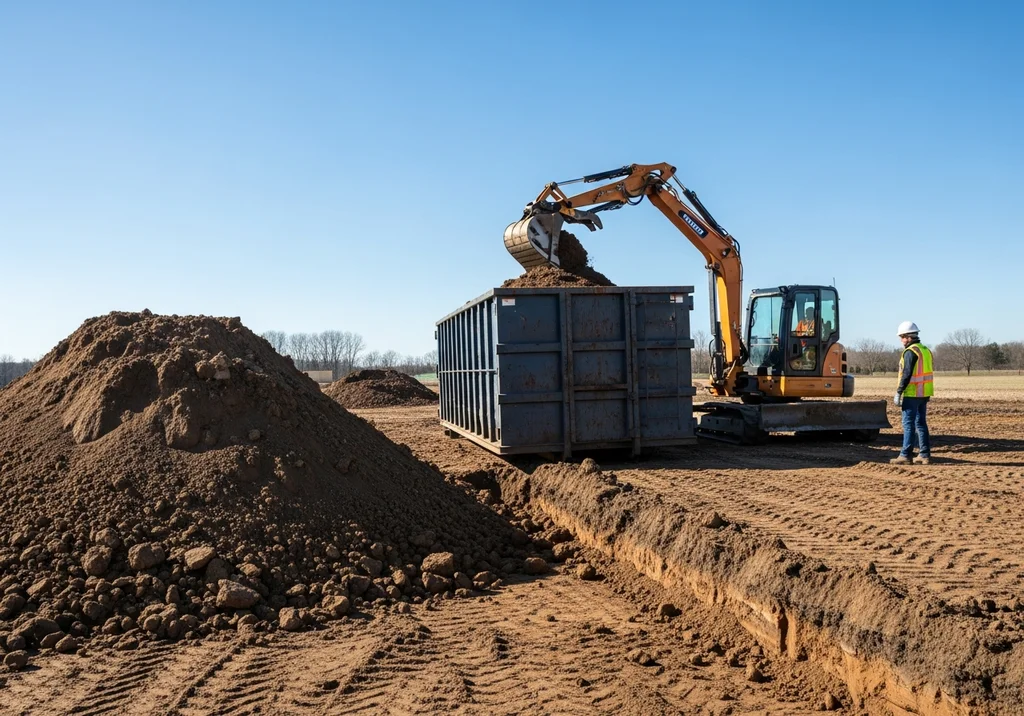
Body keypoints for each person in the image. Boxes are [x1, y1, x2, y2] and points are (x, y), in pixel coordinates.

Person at [890, 321, 934, 465]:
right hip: (924, 393)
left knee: (908, 424)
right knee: (921, 424)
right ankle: (924, 455)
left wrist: (899, 392)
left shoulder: (910, 351)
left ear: (908, 337)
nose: (901, 340)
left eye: (902, 337)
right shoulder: (925, 350)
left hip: (912, 393)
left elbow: (907, 373)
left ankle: (905, 455)